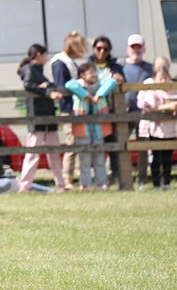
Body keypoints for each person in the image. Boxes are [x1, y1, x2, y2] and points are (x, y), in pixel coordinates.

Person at [16, 44, 64, 192]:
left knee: (54, 152)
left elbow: (46, 84)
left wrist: (47, 86)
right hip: (37, 116)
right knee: (33, 153)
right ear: (38, 54)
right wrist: (46, 92)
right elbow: (28, 85)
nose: (46, 58)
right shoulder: (30, 69)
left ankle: (61, 184)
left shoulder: (37, 71)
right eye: (44, 55)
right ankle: (24, 186)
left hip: (46, 115)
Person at [65, 61, 117, 191]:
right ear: (82, 75)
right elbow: (68, 84)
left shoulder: (101, 84)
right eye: (90, 72)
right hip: (83, 127)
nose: (94, 75)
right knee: (85, 158)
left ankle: (101, 184)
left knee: (100, 156)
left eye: (95, 72)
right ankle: (86, 184)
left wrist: (98, 95)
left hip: (98, 127)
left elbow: (112, 82)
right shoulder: (78, 86)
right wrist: (87, 95)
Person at [137, 57, 177, 190]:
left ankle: (167, 183)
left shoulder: (173, 88)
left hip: (169, 130)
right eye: (160, 78)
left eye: (165, 77)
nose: (163, 81)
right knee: (155, 159)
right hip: (155, 130)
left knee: (167, 159)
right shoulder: (151, 88)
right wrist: (168, 106)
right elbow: (151, 106)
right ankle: (156, 183)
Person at [50, 31, 88, 187]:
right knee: (71, 144)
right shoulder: (60, 63)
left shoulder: (69, 61)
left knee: (77, 143)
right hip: (68, 108)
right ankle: (67, 178)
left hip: (76, 107)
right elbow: (62, 87)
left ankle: (77, 177)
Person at [89, 36, 125, 183]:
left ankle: (116, 176)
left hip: (111, 110)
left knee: (113, 144)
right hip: (93, 110)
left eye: (106, 49)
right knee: (96, 145)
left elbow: (124, 85)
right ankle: (99, 178)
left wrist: (121, 81)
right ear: (94, 49)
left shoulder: (116, 66)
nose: (102, 51)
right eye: (99, 48)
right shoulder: (88, 66)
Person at [121, 34, 154, 184]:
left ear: (143, 48)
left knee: (143, 147)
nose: (136, 50)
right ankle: (122, 176)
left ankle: (142, 178)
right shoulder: (121, 68)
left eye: (138, 47)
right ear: (128, 49)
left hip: (143, 115)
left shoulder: (150, 68)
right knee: (121, 146)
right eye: (133, 47)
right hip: (124, 114)